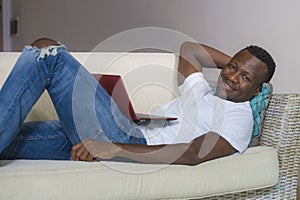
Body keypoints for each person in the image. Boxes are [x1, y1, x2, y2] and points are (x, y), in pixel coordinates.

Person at [0, 38, 276, 165]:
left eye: (246, 78)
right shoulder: (202, 91)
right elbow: (191, 49)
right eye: (231, 67)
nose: (232, 77)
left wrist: (112, 147)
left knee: (49, 53)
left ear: (257, 89)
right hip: (125, 128)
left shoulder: (239, 118)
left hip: (127, 141)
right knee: (7, 140)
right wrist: (240, 66)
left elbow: (194, 154)